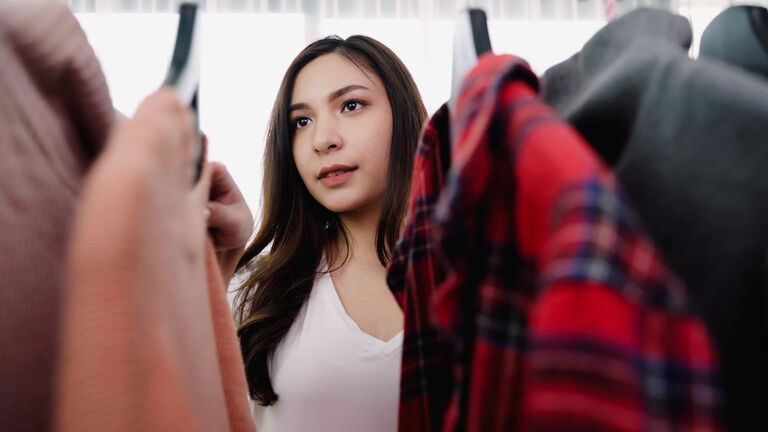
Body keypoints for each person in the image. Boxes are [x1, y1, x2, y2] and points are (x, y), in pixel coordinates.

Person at [209, 35, 427, 431]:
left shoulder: (478, 279)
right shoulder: (251, 295)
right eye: (301, 122)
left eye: (351, 105)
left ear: (405, 116)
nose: (323, 140)